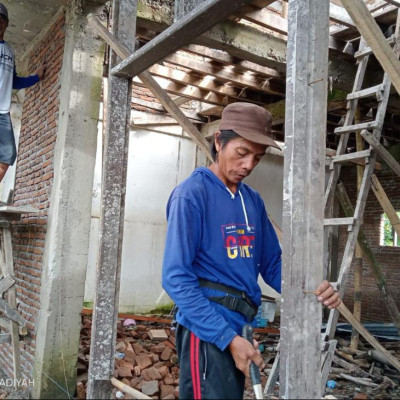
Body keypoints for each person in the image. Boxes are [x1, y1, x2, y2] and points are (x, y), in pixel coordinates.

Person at [162, 102, 341, 399]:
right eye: (242, 153)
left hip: (240, 324)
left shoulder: (252, 200)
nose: (248, 165)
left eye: (256, 158)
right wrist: (226, 338)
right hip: (207, 328)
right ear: (219, 141)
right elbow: (175, 278)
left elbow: (272, 264)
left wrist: (312, 288)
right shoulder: (192, 195)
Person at [0, 2, 46, 185]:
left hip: (3, 112)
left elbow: (14, 81)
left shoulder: (10, 51)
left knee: (8, 154)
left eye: (2, 19)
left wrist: (36, 77)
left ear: (7, 23)